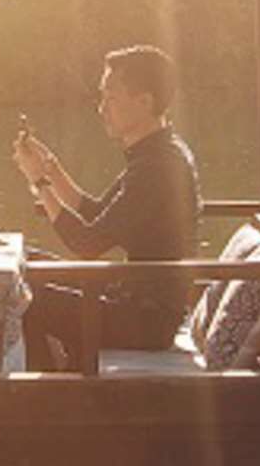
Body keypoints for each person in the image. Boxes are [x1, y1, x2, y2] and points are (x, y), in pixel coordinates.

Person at [11, 44, 202, 368]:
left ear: (145, 102)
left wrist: (40, 184)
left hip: (146, 320)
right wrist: (50, 169)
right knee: (27, 261)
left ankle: (49, 395)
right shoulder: (154, 154)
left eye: (110, 98)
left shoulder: (158, 166)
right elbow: (96, 213)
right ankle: (59, 371)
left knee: (18, 297)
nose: (101, 108)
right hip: (130, 297)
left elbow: (87, 244)